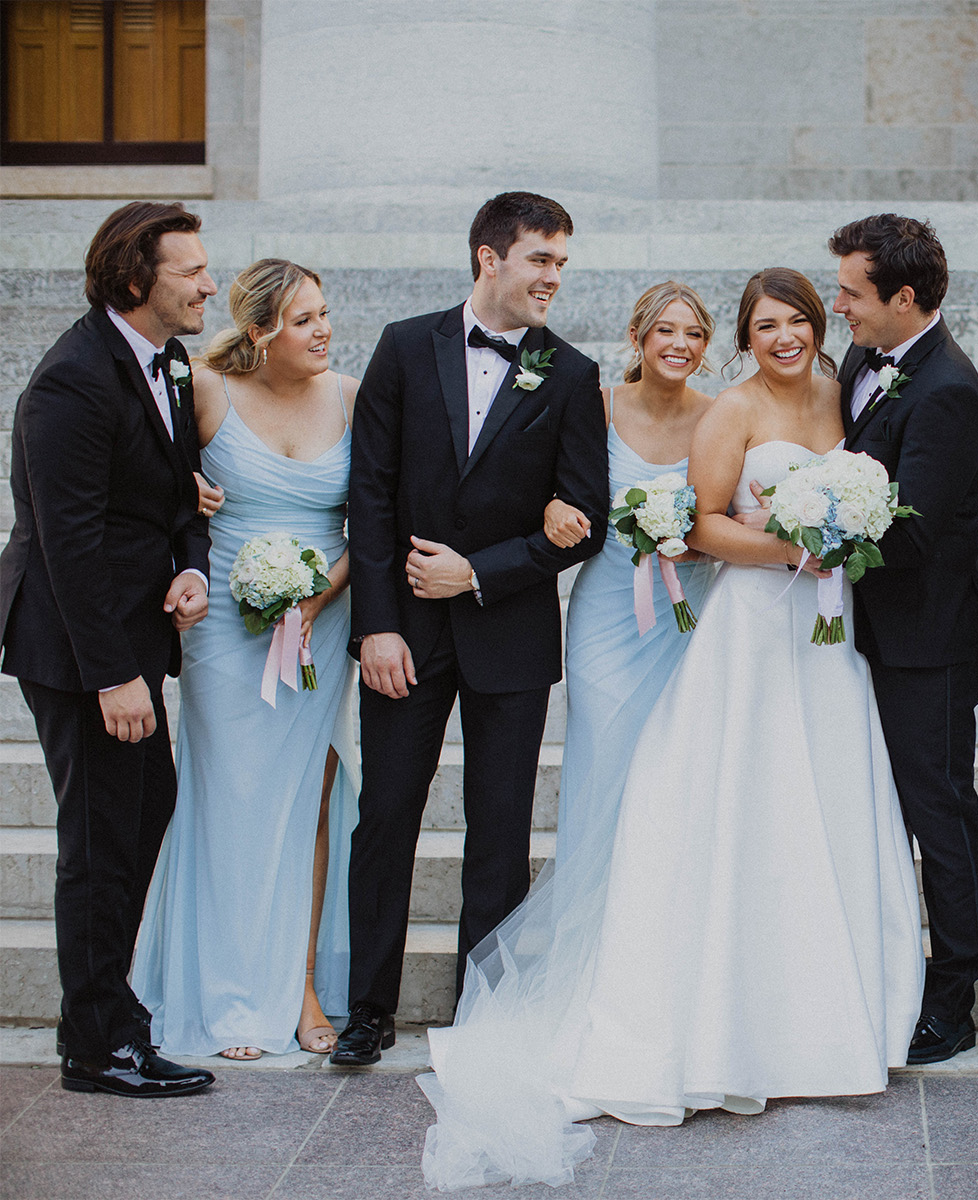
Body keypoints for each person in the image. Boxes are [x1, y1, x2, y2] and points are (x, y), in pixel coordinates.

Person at [417, 268, 923, 1188]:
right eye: (764, 325)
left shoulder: (843, 391)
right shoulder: (727, 411)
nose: (784, 336)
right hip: (745, 622)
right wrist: (801, 549)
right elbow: (706, 527)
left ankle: (822, 1011)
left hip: (822, 634)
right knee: (715, 798)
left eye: (798, 320)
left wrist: (847, 535)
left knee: (817, 805)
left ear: (818, 325)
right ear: (742, 337)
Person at [333, 192, 610, 1067]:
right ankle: (367, 1012)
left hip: (511, 637)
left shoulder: (570, 373)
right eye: (540, 259)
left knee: (500, 830)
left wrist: (479, 572)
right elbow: (369, 495)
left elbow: (587, 519)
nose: (553, 278)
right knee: (386, 818)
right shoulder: (405, 347)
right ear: (489, 258)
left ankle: (481, 1015)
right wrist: (377, 626)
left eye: (562, 263)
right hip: (403, 634)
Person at [0, 202, 216, 1097]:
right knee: (100, 841)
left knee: (142, 811)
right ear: (136, 281)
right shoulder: (73, 381)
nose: (210, 284)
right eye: (190, 271)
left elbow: (182, 494)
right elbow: (68, 540)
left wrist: (193, 565)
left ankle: (107, 1016)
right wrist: (115, 677)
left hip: (133, 635)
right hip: (80, 648)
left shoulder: (163, 364)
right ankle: (96, 1045)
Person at [131, 259, 359, 1061]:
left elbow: (374, 519)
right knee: (226, 798)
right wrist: (185, 507)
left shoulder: (351, 397)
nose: (324, 330)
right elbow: (146, 491)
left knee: (312, 799)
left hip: (322, 621)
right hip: (226, 629)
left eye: (325, 314)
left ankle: (300, 986)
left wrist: (316, 599)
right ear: (261, 332)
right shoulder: (204, 391)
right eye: (305, 320)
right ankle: (225, 989)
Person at [829, 214, 978, 1064]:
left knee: (939, 806)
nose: (838, 307)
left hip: (927, 635)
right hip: (861, 628)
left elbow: (918, 530)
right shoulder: (866, 358)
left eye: (851, 293)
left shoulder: (948, 387)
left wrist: (808, 535)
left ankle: (958, 985)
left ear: (903, 297)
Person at [543, 281, 718, 863]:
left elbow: (732, 515)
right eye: (666, 330)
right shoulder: (599, 406)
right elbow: (549, 485)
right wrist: (552, 506)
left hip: (686, 615)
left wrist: (696, 544)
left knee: (673, 760)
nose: (680, 344)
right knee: (604, 753)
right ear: (636, 336)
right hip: (607, 614)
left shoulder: (720, 417)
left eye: (694, 334)